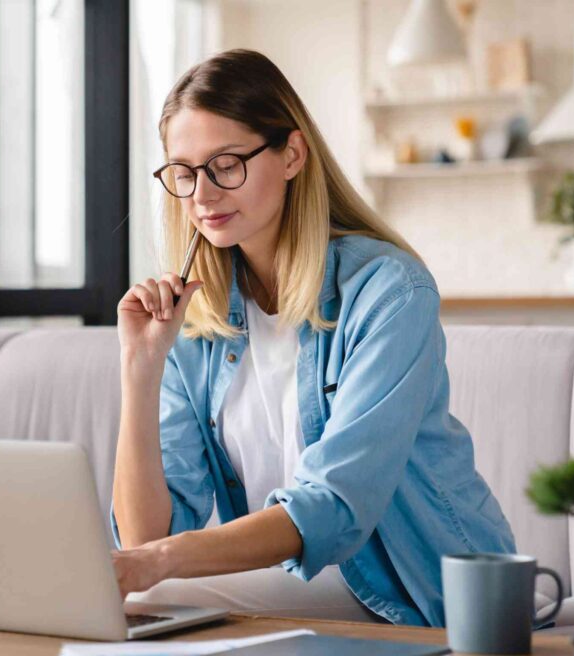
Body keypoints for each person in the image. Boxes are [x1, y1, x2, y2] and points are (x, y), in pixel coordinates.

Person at [110, 49, 515, 628]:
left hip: (420, 589)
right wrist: (139, 371)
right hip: (289, 584)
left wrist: (159, 563)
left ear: (292, 154)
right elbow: (146, 535)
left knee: (149, 602)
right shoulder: (195, 319)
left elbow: (333, 506)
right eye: (184, 171)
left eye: (225, 165)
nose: (201, 194)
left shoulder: (389, 291)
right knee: (140, 602)